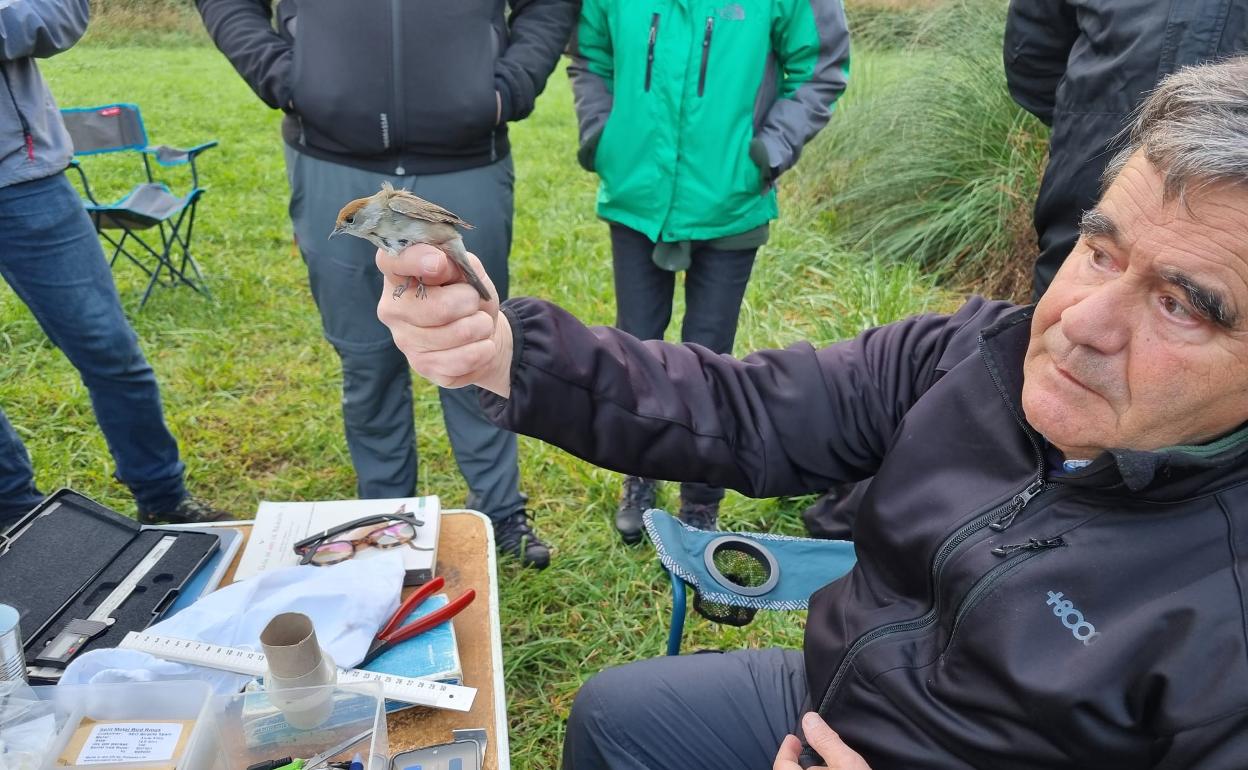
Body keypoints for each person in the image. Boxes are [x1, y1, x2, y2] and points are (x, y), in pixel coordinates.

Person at [376, 57, 1248, 768]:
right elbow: (747, 407)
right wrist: (503, 354)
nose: (1079, 324)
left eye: (1182, 306)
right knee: (614, 715)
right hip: (839, 693)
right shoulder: (974, 355)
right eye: (1099, 253)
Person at [195, 0, 578, 568]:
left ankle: (500, 510)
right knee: (366, 356)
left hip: (465, 158)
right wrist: (289, 79)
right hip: (330, 156)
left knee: (475, 338)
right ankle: (385, 516)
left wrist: (505, 88)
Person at [567, 0, 850, 542]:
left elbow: (821, 65)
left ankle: (700, 496)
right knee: (635, 348)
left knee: (710, 358)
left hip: (730, 201)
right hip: (636, 195)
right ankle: (640, 473)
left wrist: (769, 149)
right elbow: (590, 54)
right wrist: (602, 134)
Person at [0, 0, 231, 530]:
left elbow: (61, 13)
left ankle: (163, 497)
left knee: (107, 346)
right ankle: (15, 514)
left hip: (24, 179)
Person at [1004, 0, 1248, 299]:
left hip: (1089, 162)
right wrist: (1084, 121)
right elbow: (1032, 58)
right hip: (1087, 186)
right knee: (1064, 314)